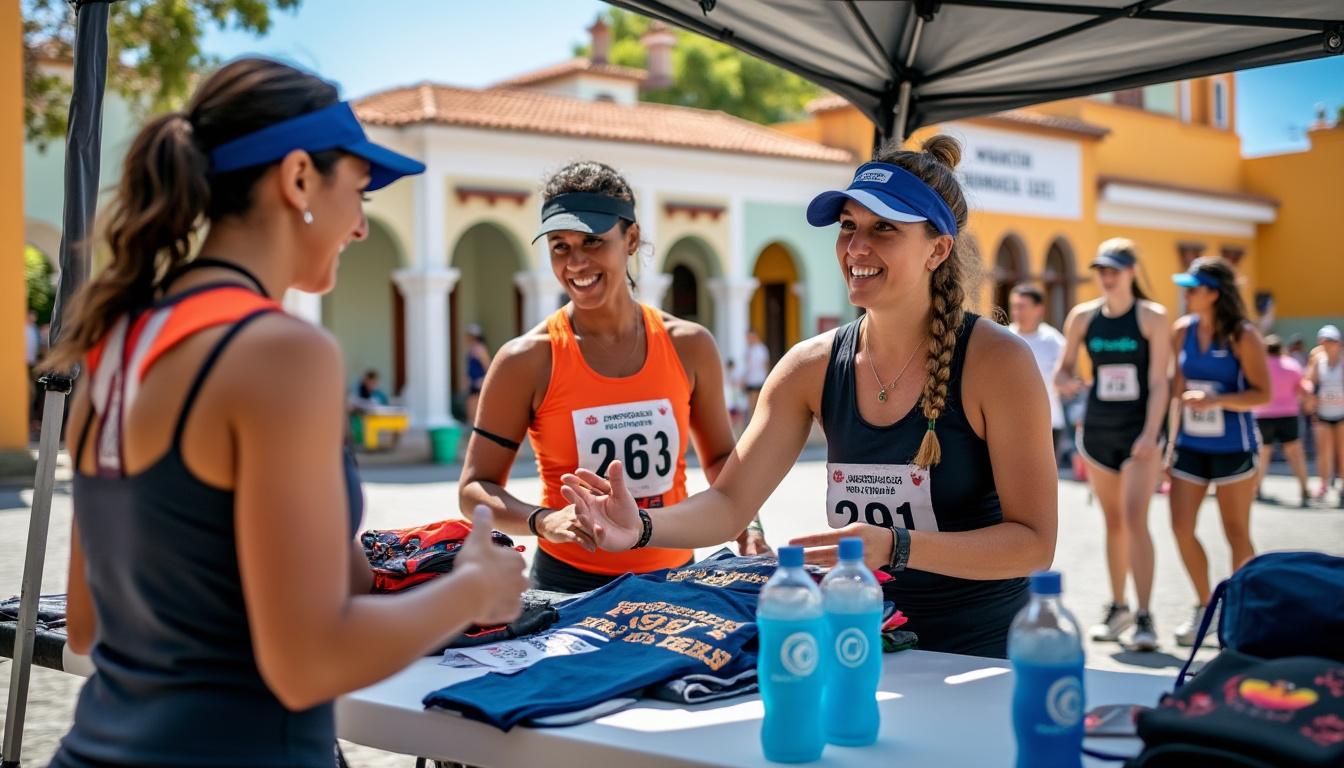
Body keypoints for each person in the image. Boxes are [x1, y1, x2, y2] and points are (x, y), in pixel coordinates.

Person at [43, 58, 528, 768]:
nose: (362, 226)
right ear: (299, 178)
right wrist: (473, 590)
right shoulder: (281, 352)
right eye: (359, 191)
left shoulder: (116, 344)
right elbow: (305, 662)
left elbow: (86, 625)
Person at [560, 136, 1058, 659]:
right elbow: (730, 503)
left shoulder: (998, 361)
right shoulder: (810, 366)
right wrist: (639, 526)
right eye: (848, 227)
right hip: (855, 646)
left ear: (937, 249)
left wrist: (897, 545)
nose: (857, 247)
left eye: (884, 228)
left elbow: (1033, 544)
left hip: (980, 656)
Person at [458, 160, 769, 594]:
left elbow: (720, 457)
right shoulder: (526, 359)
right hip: (569, 586)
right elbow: (474, 489)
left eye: (592, 241)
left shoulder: (689, 345)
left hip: (675, 577)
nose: (576, 262)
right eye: (559, 246)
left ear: (632, 239)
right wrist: (543, 520)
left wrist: (746, 522)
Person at [1055, 239, 1169, 652]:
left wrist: (1151, 433)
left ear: (1132, 272)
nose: (1107, 276)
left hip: (1140, 433)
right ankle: (1118, 606)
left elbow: (1160, 381)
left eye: (1115, 269)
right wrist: (1066, 382)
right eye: (1102, 269)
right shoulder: (1083, 318)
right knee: (1114, 522)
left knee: (1137, 518)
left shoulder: (1152, 317)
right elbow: (1062, 370)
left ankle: (1145, 615)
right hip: (1098, 431)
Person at [1167, 257, 1270, 647]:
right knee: (1180, 527)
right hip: (1190, 447)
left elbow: (1264, 394)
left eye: (1192, 289)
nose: (1186, 295)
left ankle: (1244, 613)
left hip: (1234, 447)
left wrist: (1216, 400)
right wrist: (1169, 446)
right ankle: (1206, 607)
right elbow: (1176, 395)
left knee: (1236, 531)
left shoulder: (1243, 335)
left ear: (1213, 293)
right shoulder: (1182, 331)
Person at [1008, 284, 1066, 464]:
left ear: (1039, 309)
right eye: (1014, 306)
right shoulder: (1002, 337)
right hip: (1009, 422)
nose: (1017, 312)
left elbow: (1066, 375)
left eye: (1022, 306)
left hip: (1048, 423)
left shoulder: (1054, 341)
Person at [1253, 334, 1311, 506]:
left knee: (1263, 453)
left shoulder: (1259, 367)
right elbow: (1304, 388)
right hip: (1288, 415)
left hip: (1263, 415)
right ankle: (1304, 488)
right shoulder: (1291, 365)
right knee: (1295, 452)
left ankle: (1257, 487)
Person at [1304, 324, 1344, 506]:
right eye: (1324, 340)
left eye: (1331, 341)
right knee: (1324, 452)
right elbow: (1309, 383)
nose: (1327, 344)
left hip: (1341, 413)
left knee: (1342, 452)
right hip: (1322, 413)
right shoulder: (1317, 361)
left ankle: (1342, 486)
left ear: (1338, 343)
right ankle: (1323, 484)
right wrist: (1310, 398)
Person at [464, 322, 492, 426]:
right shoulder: (470, 350)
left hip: (479, 383)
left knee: (476, 407)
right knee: (470, 407)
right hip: (472, 382)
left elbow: (488, 366)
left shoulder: (480, 349)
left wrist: (483, 380)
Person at [743, 328, 770, 419]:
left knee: (758, 405)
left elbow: (765, 365)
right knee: (751, 405)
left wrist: (766, 379)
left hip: (759, 380)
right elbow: (747, 367)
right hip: (751, 380)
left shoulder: (762, 349)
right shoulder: (749, 350)